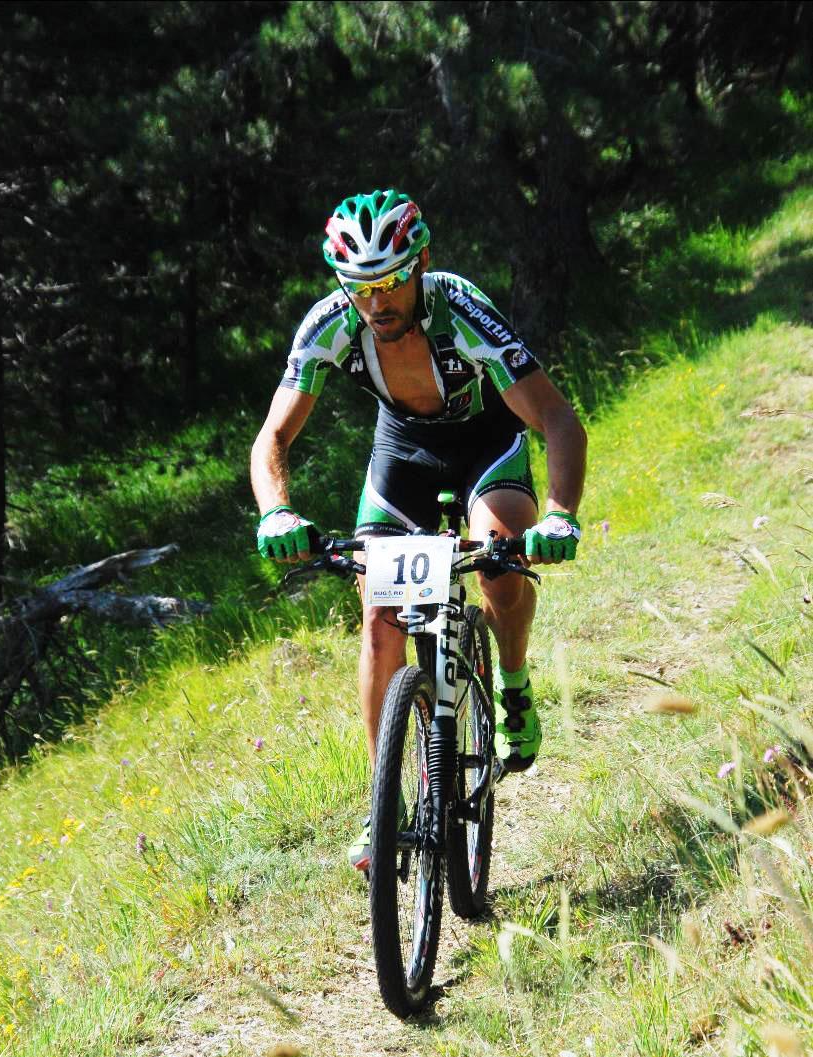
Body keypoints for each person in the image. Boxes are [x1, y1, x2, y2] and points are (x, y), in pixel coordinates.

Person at [250, 189, 586, 872]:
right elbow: (271, 439)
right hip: (401, 454)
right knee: (379, 615)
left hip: (485, 443)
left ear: (421, 261)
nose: (377, 302)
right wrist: (276, 510)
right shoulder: (328, 326)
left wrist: (559, 513)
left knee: (499, 565)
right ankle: (385, 807)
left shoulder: (461, 311)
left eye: (391, 280)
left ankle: (513, 682)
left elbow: (554, 416)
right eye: (361, 287)